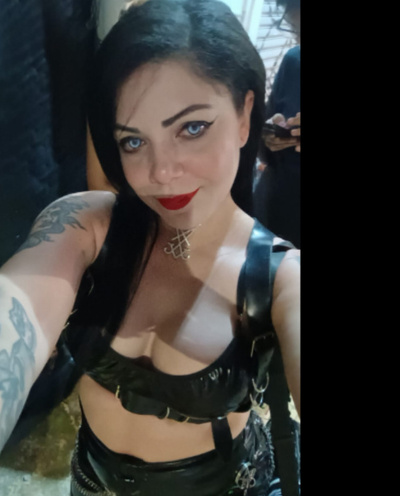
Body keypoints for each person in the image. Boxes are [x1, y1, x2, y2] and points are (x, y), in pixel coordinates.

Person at [0, 1, 300, 494]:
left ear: (245, 114)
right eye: (133, 142)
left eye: (192, 128)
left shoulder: (281, 276)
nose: (161, 173)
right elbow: (18, 307)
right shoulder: (88, 227)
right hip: (90, 481)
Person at [254, 0, 301, 248]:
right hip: (272, 210)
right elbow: (265, 145)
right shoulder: (293, 62)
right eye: (296, 31)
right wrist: (270, 135)